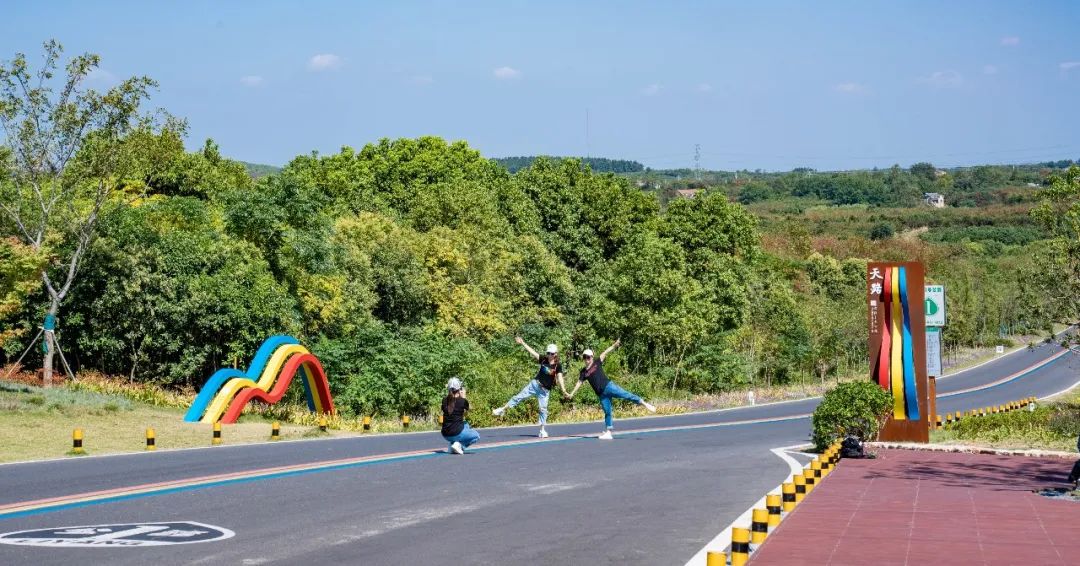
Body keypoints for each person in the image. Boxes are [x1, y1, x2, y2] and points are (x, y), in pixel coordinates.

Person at [567, 339, 655, 439]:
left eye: (588, 357)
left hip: (609, 387)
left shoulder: (597, 362)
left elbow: (605, 352)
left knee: (625, 395)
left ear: (592, 357)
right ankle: (608, 433)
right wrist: (572, 393)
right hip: (601, 394)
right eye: (584, 357)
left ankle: (644, 403)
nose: (586, 359)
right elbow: (579, 383)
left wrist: (614, 345)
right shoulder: (583, 372)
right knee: (607, 411)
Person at [492, 337, 570, 438]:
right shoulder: (543, 359)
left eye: (551, 353)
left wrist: (564, 390)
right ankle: (502, 409)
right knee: (518, 397)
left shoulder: (557, 365)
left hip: (544, 391)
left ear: (555, 354)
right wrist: (523, 343)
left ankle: (542, 430)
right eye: (548, 353)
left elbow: (560, 378)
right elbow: (533, 352)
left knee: (543, 409)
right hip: (534, 385)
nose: (549, 355)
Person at [441, 377, 478, 455]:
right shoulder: (462, 401)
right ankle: (459, 445)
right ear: (459, 389)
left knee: (466, 424)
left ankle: (452, 445)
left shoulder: (444, 400)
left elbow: (454, 410)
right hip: (456, 432)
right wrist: (464, 397)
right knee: (476, 435)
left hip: (445, 434)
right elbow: (470, 410)